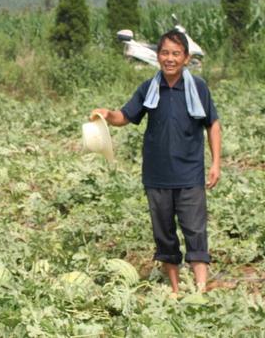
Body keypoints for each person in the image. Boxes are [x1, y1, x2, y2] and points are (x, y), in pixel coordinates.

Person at [91, 29, 221, 296]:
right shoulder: (149, 89)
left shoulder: (198, 87)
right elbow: (124, 116)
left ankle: (200, 290)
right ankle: (174, 290)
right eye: (164, 53)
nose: (169, 59)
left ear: (186, 58)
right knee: (164, 236)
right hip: (157, 176)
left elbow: (213, 124)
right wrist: (106, 114)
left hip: (190, 174)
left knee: (196, 232)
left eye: (176, 53)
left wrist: (216, 163)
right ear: (157, 56)